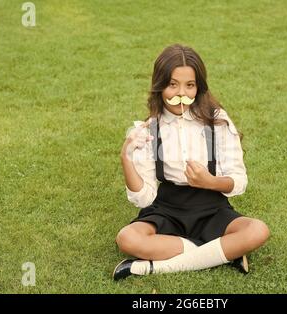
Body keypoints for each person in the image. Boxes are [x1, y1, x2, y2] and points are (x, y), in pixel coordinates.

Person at [113, 44, 269, 280]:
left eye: (190, 85)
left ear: (199, 87)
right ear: (160, 85)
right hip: (166, 209)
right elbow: (144, 198)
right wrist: (126, 158)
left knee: (258, 230)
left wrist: (210, 181)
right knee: (127, 238)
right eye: (172, 84)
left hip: (211, 207)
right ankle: (222, 251)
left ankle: (150, 267)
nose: (181, 93)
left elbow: (239, 181)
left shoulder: (217, 122)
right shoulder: (148, 130)